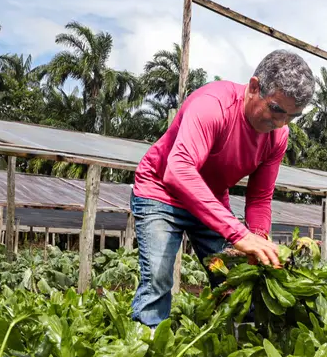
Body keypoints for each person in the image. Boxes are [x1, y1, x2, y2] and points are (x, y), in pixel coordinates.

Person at [129, 49, 315, 328]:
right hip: (161, 193)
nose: (280, 123)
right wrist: (238, 233)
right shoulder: (212, 105)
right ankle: (146, 349)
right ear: (254, 87)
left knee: (229, 273)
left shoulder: (278, 136)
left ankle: (240, 341)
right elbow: (178, 171)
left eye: (292, 116)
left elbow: (260, 197)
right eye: (276, 109)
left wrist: (257, 239)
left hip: (209, 201)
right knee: (158, 276)